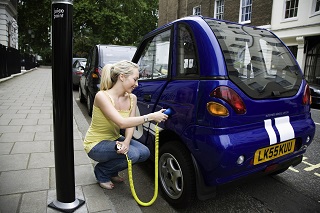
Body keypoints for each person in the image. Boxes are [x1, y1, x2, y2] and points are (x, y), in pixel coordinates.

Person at [83, 60, 168, 190]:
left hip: (114, 139)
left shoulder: (132, 98)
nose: (137, 84)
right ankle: (102, 171)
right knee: (132, 154)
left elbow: (130, 125)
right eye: (135, 79)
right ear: (122, 77)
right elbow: (122, 123)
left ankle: (112, 170)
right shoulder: (102, 96)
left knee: (144, 152)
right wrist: (151, 117)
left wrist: (127, 142)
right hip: (96, 144)